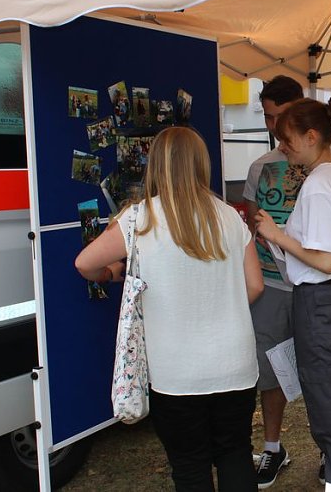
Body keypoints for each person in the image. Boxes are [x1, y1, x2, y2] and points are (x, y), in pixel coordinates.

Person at [75, 127, 264, 492]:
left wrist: (115, 273)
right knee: (235, 453)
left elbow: (84, 264)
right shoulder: (228, 215)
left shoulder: (139, 218)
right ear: (201, 164)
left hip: (176, 372)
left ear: (155, 165)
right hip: (235, 365)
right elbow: (254, 286)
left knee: (189, 466)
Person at [255, 96, 331, 492]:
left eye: (286, 140)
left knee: (330, 411)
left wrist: (275, 235)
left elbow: (324, 260)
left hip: (324, 300)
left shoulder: (322, 183)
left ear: (311, 136)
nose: (282, 148)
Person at [242, 75, 305, 488]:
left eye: (280, 117)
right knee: (268, 370)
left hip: (314, 286)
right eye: (268, 118)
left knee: (322, 370)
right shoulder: (260, 167)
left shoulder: (325, 167)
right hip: (270, 284)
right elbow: (248, 221)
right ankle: (272, 449)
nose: (274, 127)